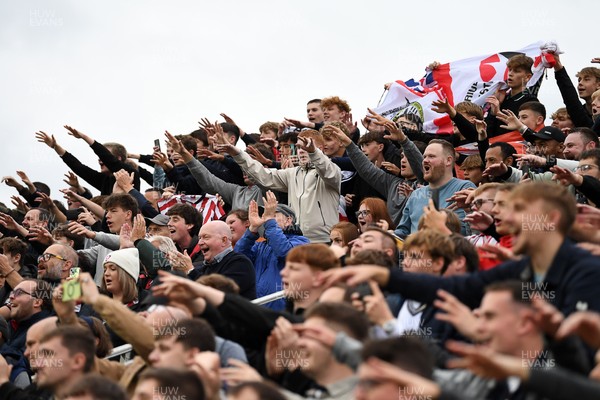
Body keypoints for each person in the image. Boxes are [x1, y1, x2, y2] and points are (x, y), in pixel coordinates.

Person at [322, 181, 600, 318]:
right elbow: (454, 288)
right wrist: (384, 277)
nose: (506, 219)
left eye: (518, 210)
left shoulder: (587, 271)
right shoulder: (521, 269)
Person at [223, 127, 341, 243]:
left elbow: (326, 169)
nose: (301, 150)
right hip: (295, 241)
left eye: (306, 146)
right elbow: (263, 175)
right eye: (299, 147)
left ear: (320, 148)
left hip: (323, 240)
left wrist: (314, 152)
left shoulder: (332, 170)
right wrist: (237, 154)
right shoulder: (292, 173)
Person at [235, 192, 309, 310]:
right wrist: (252, 229)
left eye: (273, 215)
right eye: (265, 216)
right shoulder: (261, 245)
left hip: (283, 309)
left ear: (288, 220)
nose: (266, 219)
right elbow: (238, 259)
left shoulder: (302, 242)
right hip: (258, 307)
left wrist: (270, 221)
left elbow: (284, 252)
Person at [394, 139, 476, 238]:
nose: (425, 160)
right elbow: (403, 232)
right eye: (424, 157)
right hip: (416, 253)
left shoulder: (464, 188)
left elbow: (467, 233)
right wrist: (387, 234)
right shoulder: (416, 194)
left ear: (448, 160)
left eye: (431, 156)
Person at [189, 220, 256, 299]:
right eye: (200, 238)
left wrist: (190, 270)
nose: (200, 242)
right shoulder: (204, 267)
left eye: (206, 237)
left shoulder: (240, 263)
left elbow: (217, 295)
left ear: (224, 240)